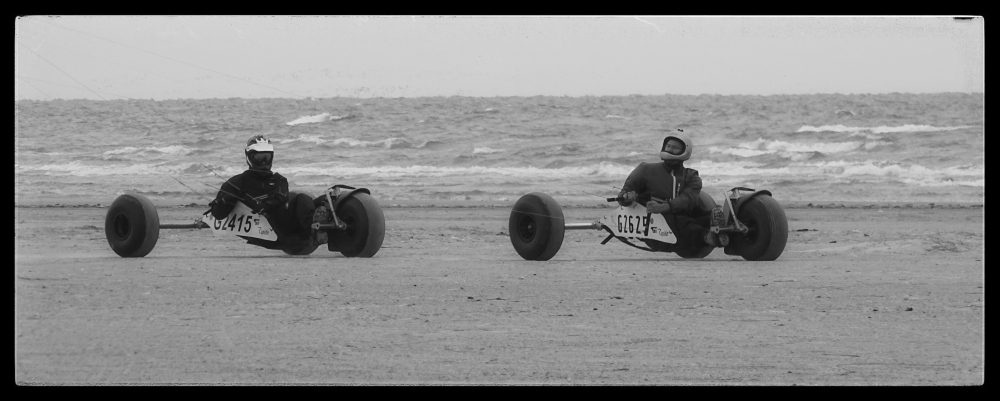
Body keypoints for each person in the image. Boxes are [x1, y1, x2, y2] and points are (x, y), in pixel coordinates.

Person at [208, 135, 330, 246]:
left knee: (310, 198)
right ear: (249, 157)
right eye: (259, 158)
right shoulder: (236, 182)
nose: (264, 162)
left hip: (284, 219)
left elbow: (281, 197)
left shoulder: (279, 180)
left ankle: (322, 226)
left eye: (266, 157)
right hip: (265, 226)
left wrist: (266, 205)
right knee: (300, 200)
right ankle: (315, 230)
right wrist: (226, 201)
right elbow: (218, 214)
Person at [617, 129, 728, 251]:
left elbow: (688, 199)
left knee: (701, 213)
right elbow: (622, 197)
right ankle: (707, 236)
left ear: (685, 151)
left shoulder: (692, 176)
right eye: (668, 146)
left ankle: (726, 227)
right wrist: (628, 197)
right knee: (678, 219)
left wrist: (667, 206)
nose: (670, 149)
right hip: (655, 225)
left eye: (675, 147)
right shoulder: (645, 169)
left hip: (683, 217)